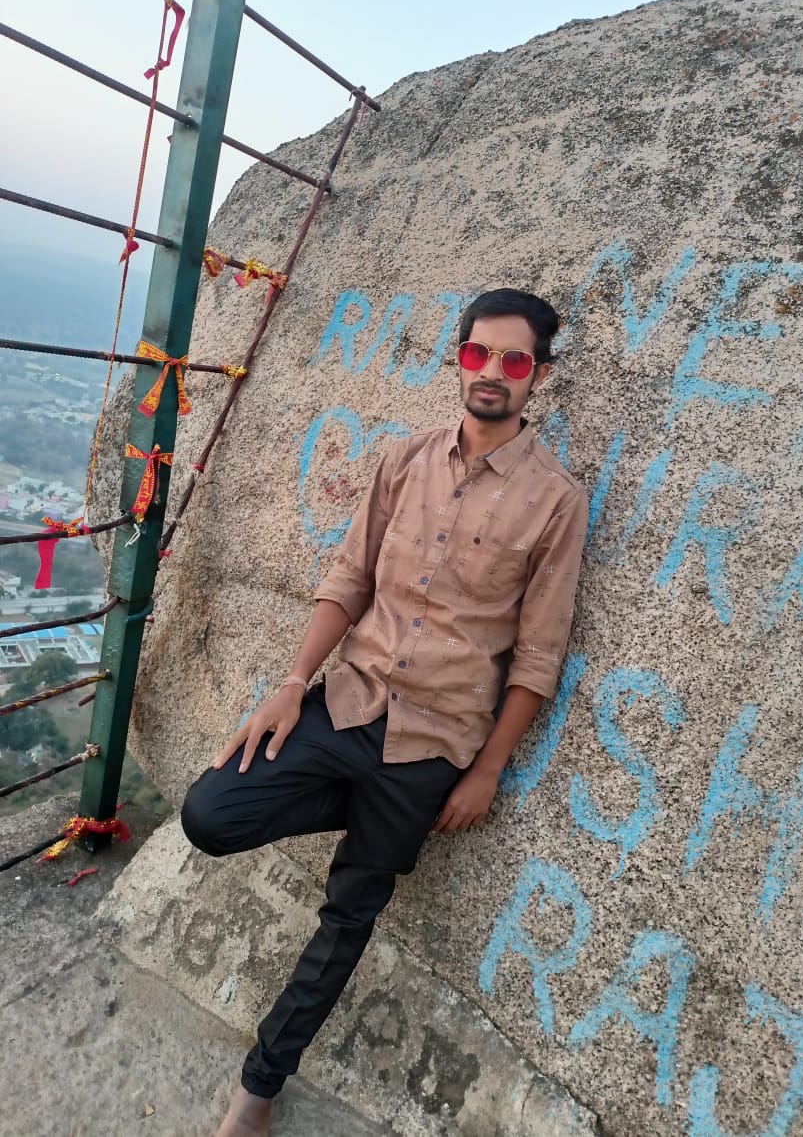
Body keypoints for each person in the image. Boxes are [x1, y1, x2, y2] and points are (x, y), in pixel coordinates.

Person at [180, 287, 589, 1137]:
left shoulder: (556, 500)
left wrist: (485, 772)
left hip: (435, 743)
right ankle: (365, 813)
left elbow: (538, 654)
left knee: (349, 915)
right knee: (211, 813)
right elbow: (350, 577)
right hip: (348, 703)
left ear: (537, 376)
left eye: (513, 360)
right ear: (458, 358)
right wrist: (292, 682)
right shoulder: (403, 460)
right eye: (477, 352)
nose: (492, 371)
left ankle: (258, 1090)